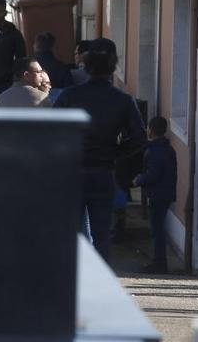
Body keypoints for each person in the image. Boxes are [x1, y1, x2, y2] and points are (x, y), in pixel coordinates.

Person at [54, 38, 146, 261]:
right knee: (101, 236)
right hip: (103, 171)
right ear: (113, 65)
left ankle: (71, 285)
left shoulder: (69, 96)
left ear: (86, 64)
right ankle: (99, 286)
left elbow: (52, 130)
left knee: (72, 236)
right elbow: (139, 138)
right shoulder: (123, 101)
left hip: (73, 171)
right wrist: (115, 152)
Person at [134, 116, 178, 274]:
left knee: (157, 230)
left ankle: (160, 263)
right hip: (163, 193)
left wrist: (139, 179)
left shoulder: (157, 150)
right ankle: (159, 262)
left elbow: (153, 174)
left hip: (158, 194)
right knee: (158, 229)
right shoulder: (166, 148)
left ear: (151, 130)